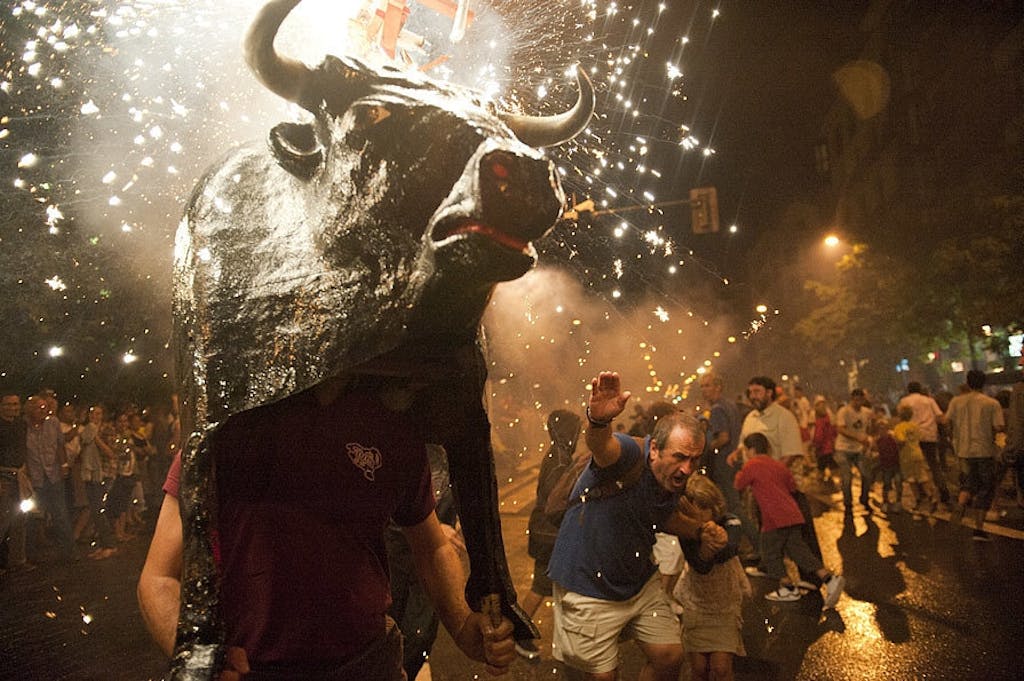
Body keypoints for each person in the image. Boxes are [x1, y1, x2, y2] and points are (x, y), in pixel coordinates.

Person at [138, 376, 515, 680]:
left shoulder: (391, 428)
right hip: (253, 671)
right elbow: (158, 577)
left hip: (370, 665)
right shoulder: (232, 428)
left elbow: (431, 545)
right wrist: (200, 656)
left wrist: (463, 624)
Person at [547, 371, 726, 681]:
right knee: (601, 677)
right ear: (655, 449)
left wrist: (699, 531)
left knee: (670, 657)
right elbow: (602, 446)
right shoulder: (629, 454)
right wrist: (599, 422)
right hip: (588, 584)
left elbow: (661, 514)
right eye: (680, 457)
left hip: (639, 583)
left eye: (694, 460)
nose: (687, 469)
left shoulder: (672, 477)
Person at [733, 433, 845, 608]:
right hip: (793, 514)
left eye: (746, 450)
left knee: (769, 553)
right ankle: (830, 579)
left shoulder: (752, 465)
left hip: (774, 518)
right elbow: (792, 486)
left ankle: (788, 588)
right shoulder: (778, 465)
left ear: (752, 449)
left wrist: (739, 467)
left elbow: (739, 484)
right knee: (799, 551)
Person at [669, 474, 750, 681]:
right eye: (694, 510)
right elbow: (700, 565)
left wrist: (710, 538)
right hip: (697, 604)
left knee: (721, 667)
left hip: (725, 606)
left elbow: (729, 549)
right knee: (698, 668)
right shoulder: (686, 532)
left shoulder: (730, 521)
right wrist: (703, 541)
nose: (701, 516)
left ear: (714, 506)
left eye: (704, 509)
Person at [517, 409, 582, 661]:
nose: (579, 435)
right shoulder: (559, 459)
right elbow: (555, 498)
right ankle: (519, 635)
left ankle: (565, 639)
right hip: (549, 535)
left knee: (554, 585)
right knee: (541, 586)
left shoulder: (560, 455)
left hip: (548, 533)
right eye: (576, 430)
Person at [700, 372, 758, 559]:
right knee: (731, 506)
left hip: (724, 463)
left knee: (732, 506)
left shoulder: (717, 409)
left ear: (718, 387)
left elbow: (723, 438)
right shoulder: (730, 405)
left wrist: (705, 449)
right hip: (733, 462)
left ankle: (758, 546)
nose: (704, 390)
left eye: (707, 385)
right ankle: (739, 544)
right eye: (702, 386)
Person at [943, 369, 1005, 541]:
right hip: (985, 450)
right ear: (983, 383)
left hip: (963, 451)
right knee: (986, 488)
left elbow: (946, 420)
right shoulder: (991, 403)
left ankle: (961, 505)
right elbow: (999, 427)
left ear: (968, 382)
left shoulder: (956, 401)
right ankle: (978, 529)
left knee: (968, 483)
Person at [24, 394, 75, 562]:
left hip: (53, 474)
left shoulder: (53, 423)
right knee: (32, 516)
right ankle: (29, 554)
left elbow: (60, 444)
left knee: (60, 513)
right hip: (35, 476)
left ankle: (68, 552)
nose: (42, 411)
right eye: (39, 408)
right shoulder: (24, 426)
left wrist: (64, 465)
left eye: (44, 407)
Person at [728, 377, 804, 468]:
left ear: (769, 393)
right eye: (750, 392)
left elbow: (791, 455)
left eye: (757, 392)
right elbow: (743, 446)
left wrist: (770, 475)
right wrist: (736, 454)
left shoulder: (784, 417)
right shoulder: (750, 417)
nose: (752, 397)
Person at [897, 382, 950, 505]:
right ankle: (943, 492)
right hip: (929, 435)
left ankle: (922, 494)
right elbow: (940, 417)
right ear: (920, 389)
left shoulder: (904, 401)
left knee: (915, 466)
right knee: (934, 464)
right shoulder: (929, 400)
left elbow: (901, 418)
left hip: (912, 437)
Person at [0, 391, 29, 572]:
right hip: (3, 475)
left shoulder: (20, 425)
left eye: (16, 404)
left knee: (20, 518)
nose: (13, 408)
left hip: (19, 475)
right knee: (2, 519)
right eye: (9, 404)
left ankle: (18, 560)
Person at [833, 388, 874, 514]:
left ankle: (864, 498)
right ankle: (848, 504)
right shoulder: (844, 411)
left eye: (860, 400)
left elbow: (870, 428)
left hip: (858, 449)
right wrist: (857, 437)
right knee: (847, 477)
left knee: (866, 475)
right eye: (855, 400)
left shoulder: (866, 412)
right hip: (842, 448)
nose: (857, 403)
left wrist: (869, 440)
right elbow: (840, 429)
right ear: (851, 399)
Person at [893, 406, 938, 515]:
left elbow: (901, 440)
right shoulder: (914, 426)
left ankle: (919, 501)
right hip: (918, 453)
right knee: (922, 476)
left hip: (907, 456)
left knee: (911, 479)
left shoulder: (899, 427)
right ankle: (930, 497)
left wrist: (896, 448)